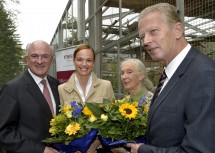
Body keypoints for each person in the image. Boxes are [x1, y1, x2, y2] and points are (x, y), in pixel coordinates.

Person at [126, 3, 215, 153]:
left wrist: (142, 150)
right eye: (142, 37)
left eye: (153, 31)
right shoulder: (169, 73)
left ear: (177, 30)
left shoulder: (205, 74)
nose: (146, 41)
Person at [0, 40, 60, 153]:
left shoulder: (56, 84)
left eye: (45, 56)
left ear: (51, 60)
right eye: (34, 56)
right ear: (27, 59)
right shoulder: (12, 89)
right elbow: (3, 132)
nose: (40, 61)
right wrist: (40, 150)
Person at [58, 43, 115, 153]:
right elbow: (60, 123)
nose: (84, 64)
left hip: (99, 148)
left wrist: (94, 145)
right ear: (73, 61)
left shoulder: (106, 85)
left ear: (93, 63)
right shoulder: (62, 89)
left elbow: (112, 121)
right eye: (80, 59)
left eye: (89, 60)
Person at [110, 59, 154, 153]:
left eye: (129, 72)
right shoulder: (121, 103)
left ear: (141, 76)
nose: (124, 77)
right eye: (122, 73)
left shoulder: (153, 102)